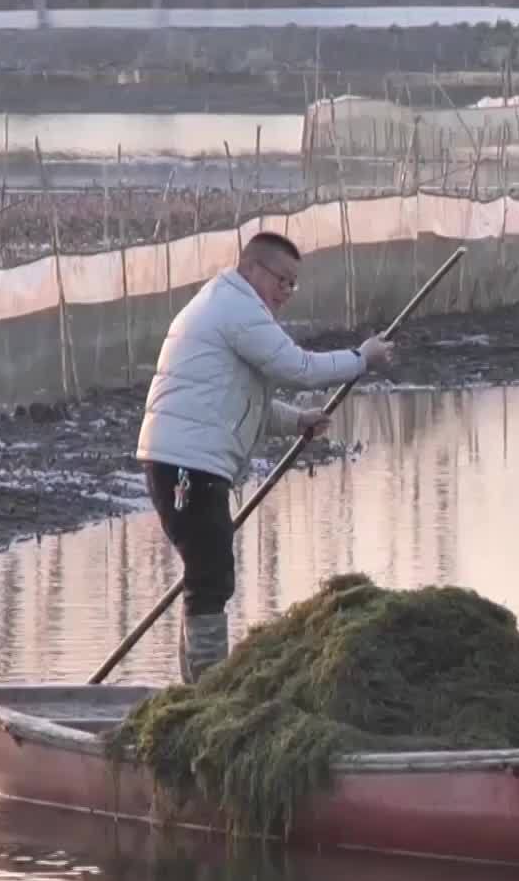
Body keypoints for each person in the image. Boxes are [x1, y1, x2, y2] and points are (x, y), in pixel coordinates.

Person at [135, 231, 394, 682]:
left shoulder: (228, 306)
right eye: (281, 280)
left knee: (206, 573)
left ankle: (199, 690)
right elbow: (300, 368)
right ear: (252, 268)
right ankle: (209, 691)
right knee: (210, 574)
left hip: (189, 461)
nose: (286, 292)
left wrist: (296, 420)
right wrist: (361, 358)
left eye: (293, 284)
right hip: (186, 466)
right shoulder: (237, 309)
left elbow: (240, 400)